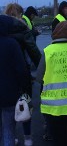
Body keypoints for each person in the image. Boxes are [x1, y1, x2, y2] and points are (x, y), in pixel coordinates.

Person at [4, 3, 41, 146]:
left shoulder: (3, 30)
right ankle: (27, 138)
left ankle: (11, 137)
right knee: (25, 105)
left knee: (6, 113)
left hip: (4, 76)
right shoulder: (22, 28)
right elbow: (33, 51)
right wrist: (42, 70)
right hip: (21, 74)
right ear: (19, 14)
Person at [0, 14, 30, 146]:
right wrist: (26, 89)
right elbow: (21, 70)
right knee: (9, 130)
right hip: (9, 93)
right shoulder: (12, 44)